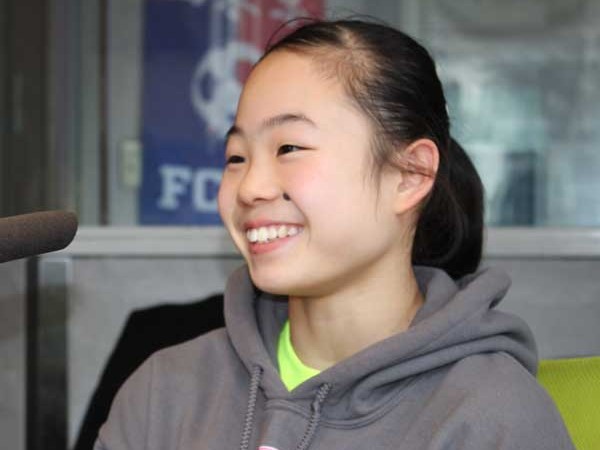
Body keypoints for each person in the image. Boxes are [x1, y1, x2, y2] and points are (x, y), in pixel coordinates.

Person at [95, 19, 574, 450]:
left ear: (409, 175)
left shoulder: (491, 416)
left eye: (289, 148)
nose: (250, 187)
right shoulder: (164, 393)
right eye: (236, 157)